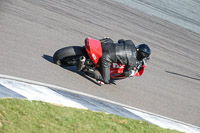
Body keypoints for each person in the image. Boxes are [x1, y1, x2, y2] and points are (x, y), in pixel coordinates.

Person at [84, 37, 151, 85]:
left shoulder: (130, 43)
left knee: (109, 39)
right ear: (142, 56)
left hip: (105, 46)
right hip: (106, 57)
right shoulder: (132, 62)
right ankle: (87, 70)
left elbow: (120, 40)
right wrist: (131, 73)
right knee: (106, 80)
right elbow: (126, 72)